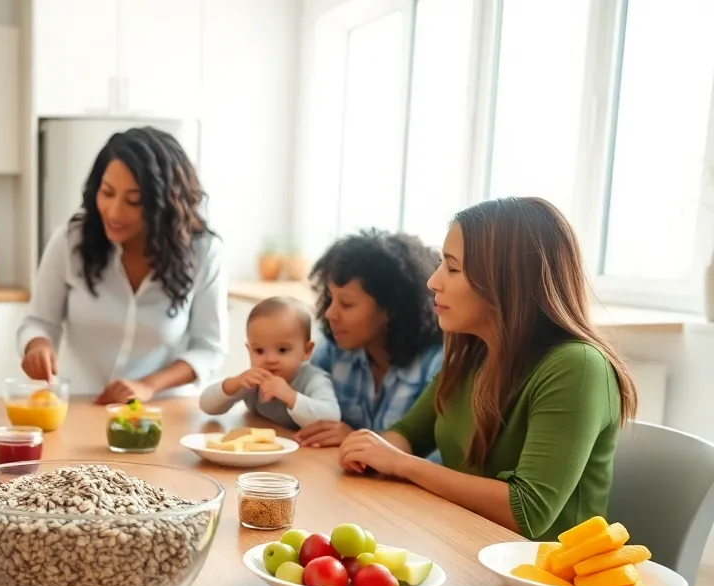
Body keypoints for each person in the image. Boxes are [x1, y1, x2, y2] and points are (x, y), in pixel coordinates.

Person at [337, 197, 636, 541]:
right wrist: (371, 452)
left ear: (507, 280)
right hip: (469, 546)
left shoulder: (577, 367)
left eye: (452, 268)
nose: (433, 281)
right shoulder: (473, 353)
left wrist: (401, 464)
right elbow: (408, 433)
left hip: (549, 578)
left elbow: (527, 511)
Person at [18, 127, 227, 403]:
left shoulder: (203, 252)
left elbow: (209, 348)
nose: (114, 212)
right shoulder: (71, 241)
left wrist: (148, 386)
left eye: (134, 201)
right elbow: (39, 322)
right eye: (107, 192)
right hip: (83, 404)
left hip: (163, 410)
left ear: (165, 204)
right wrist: (38, 344)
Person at [294, 229, 444, 448]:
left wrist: (355, 440)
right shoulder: (332, 348)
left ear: (391, 308)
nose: (330, 313)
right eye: (330, 298)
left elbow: (441, 457)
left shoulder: (436, 363)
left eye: (346, 304)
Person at [199, 296, 340, 430]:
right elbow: (206, 405)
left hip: (304, 451)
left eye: (282, 350)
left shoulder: (313, 379)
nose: (270, 360)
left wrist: (290, 396)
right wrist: (233, 384)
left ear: (306, 351)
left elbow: (332, 418)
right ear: (249, 351)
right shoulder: (253, 380)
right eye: (259, 351)